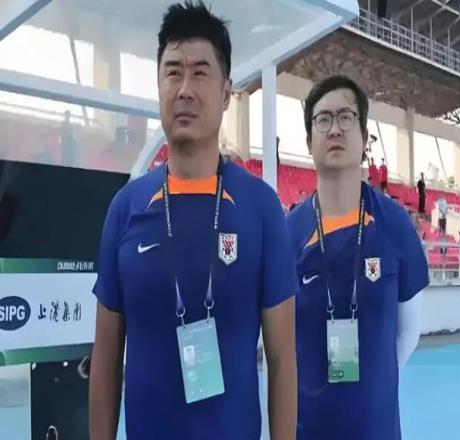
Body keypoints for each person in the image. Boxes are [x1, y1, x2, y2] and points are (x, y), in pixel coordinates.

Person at [89, 3, 298, 439]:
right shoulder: (125, 208)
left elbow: (282, 361)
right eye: (173, 72)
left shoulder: (261, 208)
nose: (184, 89)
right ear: (159, 86)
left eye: (201, 73)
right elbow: (106, 356)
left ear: (226, 93)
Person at [287, 75, 429, 439]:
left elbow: (409, 332)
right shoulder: (288, 234)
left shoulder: (394, 224)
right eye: (323, 119)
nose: (335, 129)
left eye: (346, 117)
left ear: (364, 137)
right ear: (309, 141)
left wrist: (375, 389)